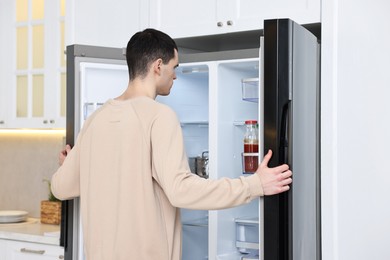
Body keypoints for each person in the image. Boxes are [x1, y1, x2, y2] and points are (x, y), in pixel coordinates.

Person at [51, 28, 292, 260]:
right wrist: (254, 184)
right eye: (174, 67)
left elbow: (61, 188)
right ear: (158, 66)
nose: (175, 75)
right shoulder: (159, 116)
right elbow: (181, 190)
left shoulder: (95, 119)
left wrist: (71, 163)